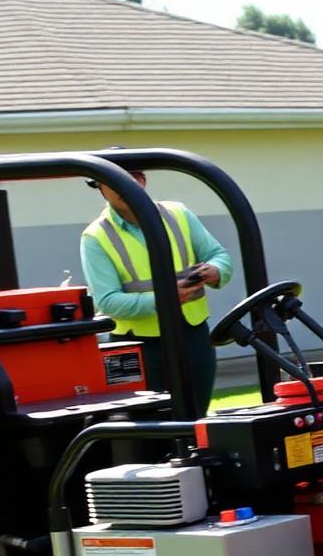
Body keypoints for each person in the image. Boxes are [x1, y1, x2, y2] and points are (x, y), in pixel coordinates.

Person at [79, 170, 232, 417]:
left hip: (192, 336)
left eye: (132, 178)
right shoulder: (95, 237)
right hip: (136, 347)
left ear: (142, 180)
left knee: (197, 421)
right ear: (100, 188)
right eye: (113, 181)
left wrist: (215, 270)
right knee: (147, 430)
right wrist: (165, 299)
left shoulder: (179, 215)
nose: (125, 187)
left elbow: (220, 255)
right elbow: (107, 301)